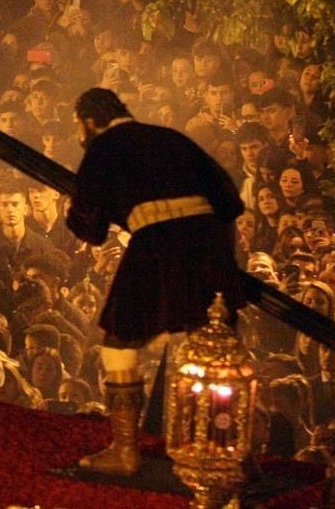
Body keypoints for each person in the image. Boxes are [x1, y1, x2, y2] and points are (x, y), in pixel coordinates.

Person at [65, 86, 250, 474]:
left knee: (119, 345)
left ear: (89, 121)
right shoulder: (172, 138)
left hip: (155, 246)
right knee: (215, 347)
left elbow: (89, 227)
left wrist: (81, 208)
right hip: (209, 244)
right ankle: (225, 451)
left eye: (78, 127)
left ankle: (125, 451)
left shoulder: (102, 148)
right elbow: (229, 201)